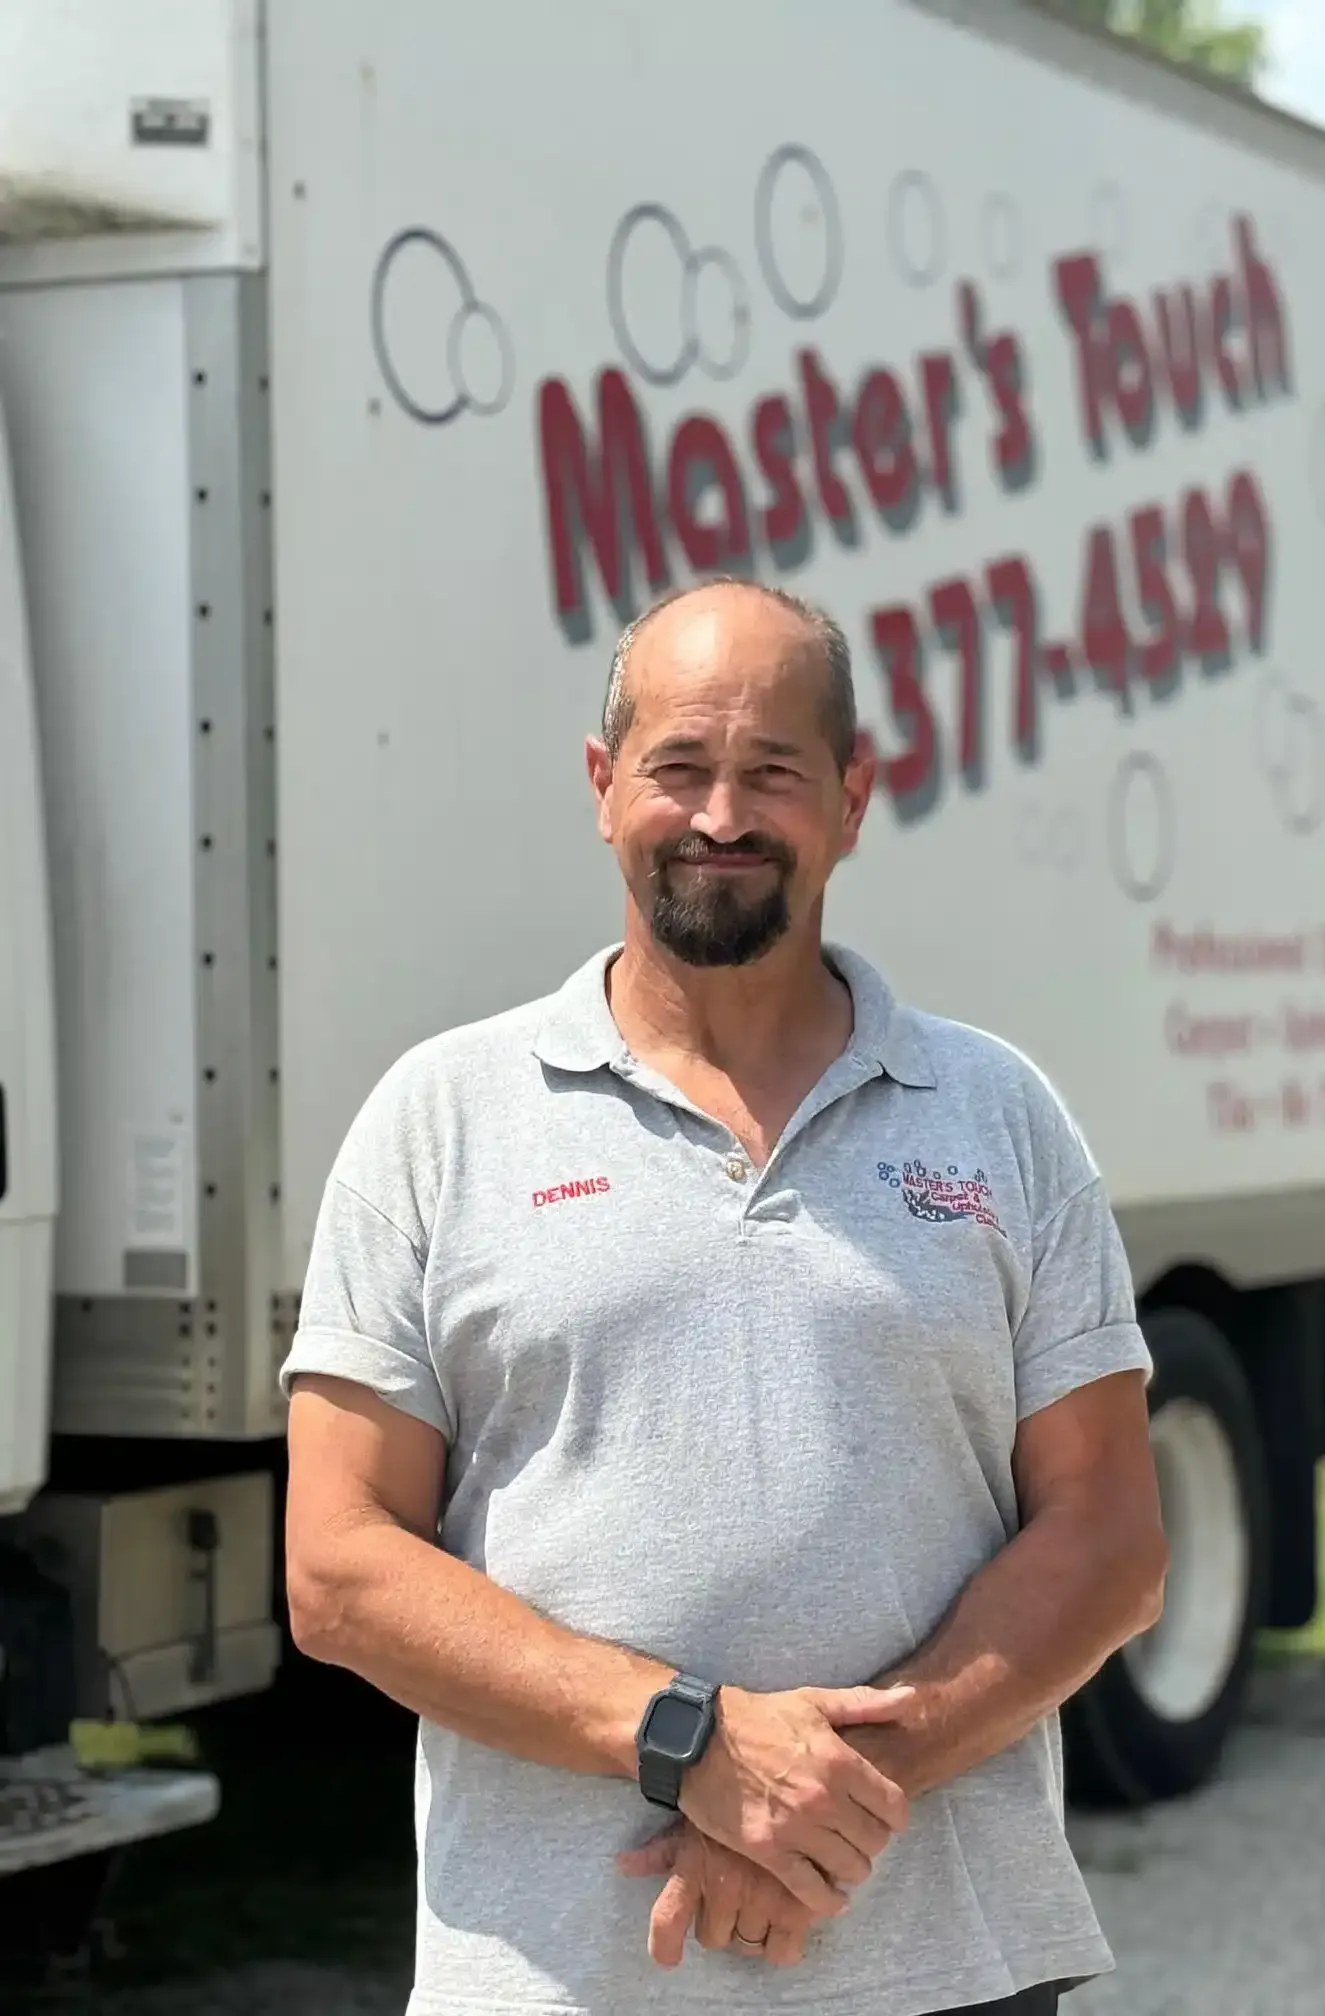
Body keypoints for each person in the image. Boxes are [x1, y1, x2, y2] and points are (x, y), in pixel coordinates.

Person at [281, 576, 1167, 2016]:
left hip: (945, 1971)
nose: (722, 815)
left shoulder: (999, 1115)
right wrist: (686, 1742)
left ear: (854, 796)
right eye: (679, 765)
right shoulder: (439, 1120)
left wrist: (833, 1793)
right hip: (558, 1981)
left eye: (774, 772)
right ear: (601, 784)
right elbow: (338, 1566)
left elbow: (1111, 1540)